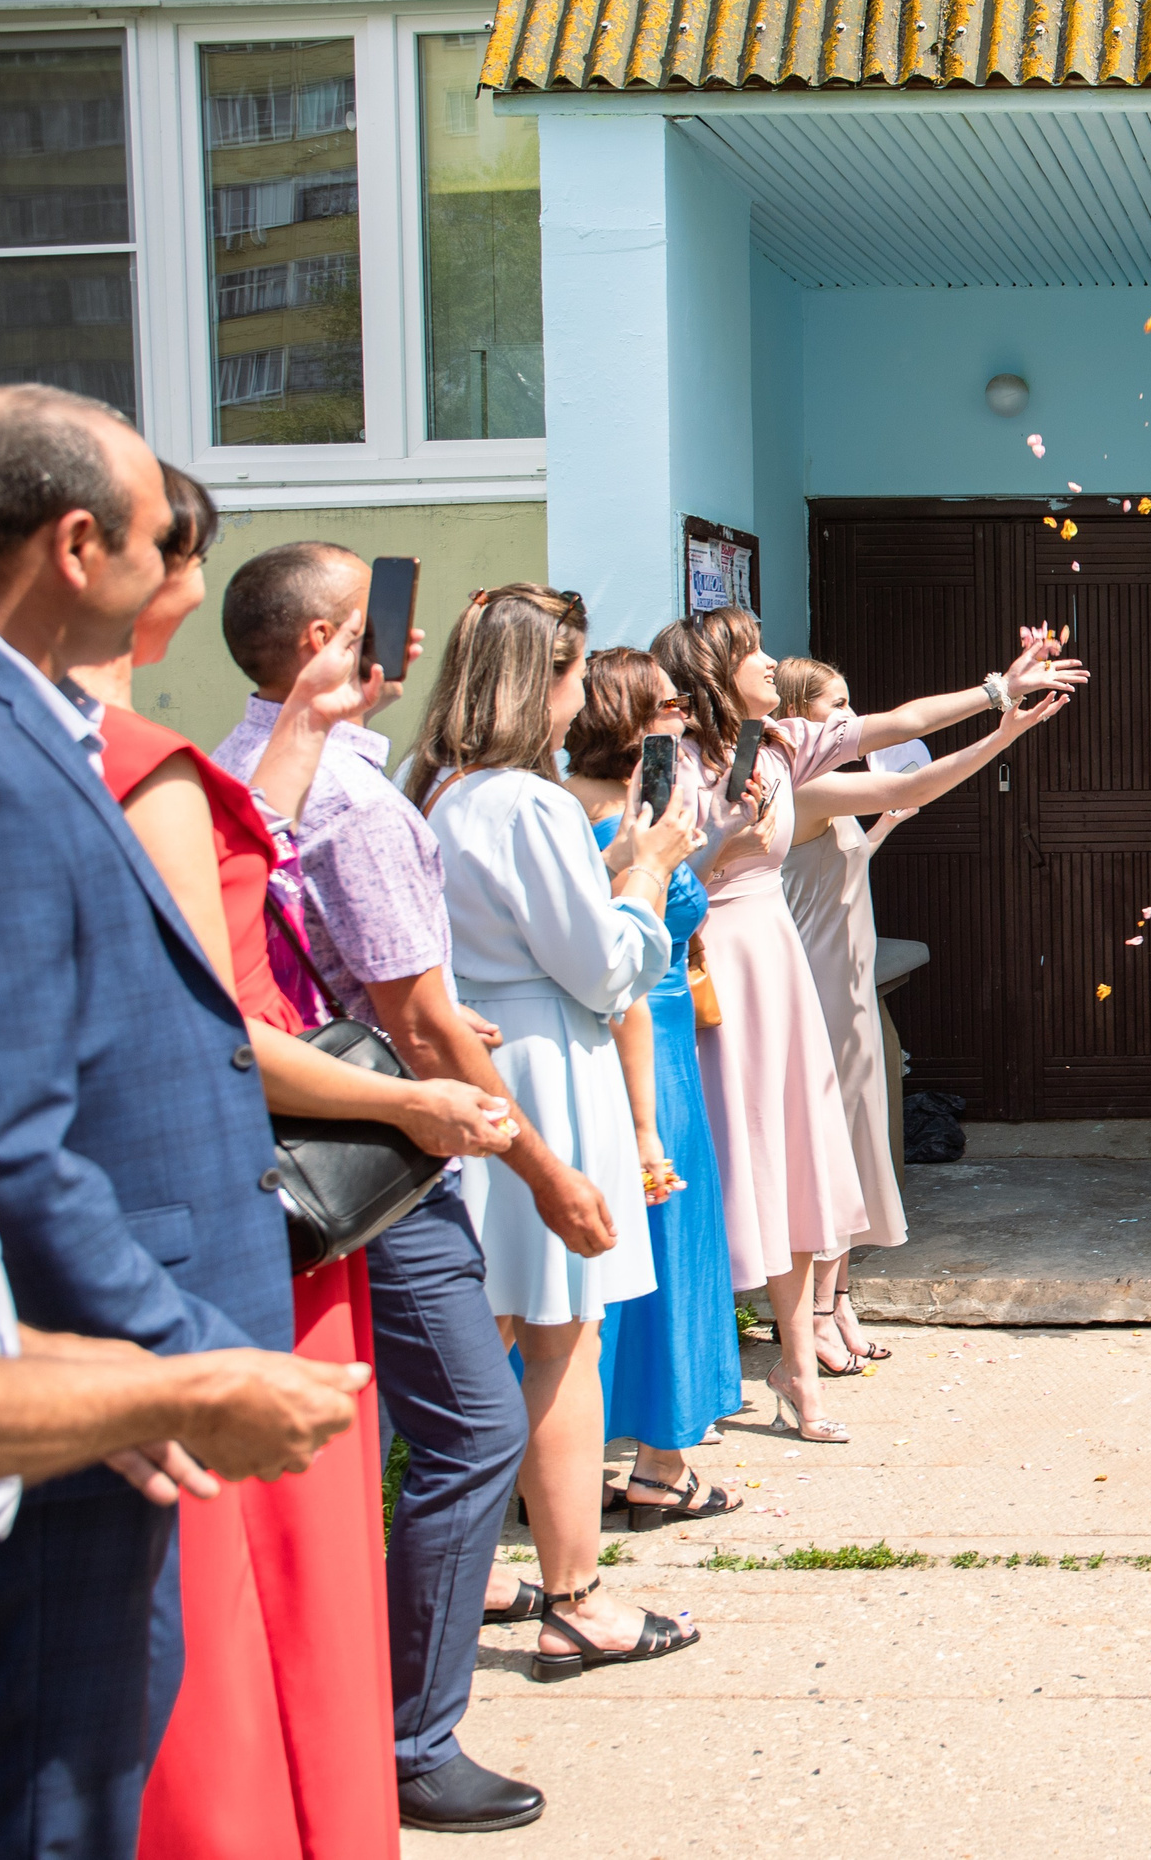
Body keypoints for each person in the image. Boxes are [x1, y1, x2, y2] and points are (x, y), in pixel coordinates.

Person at [70, 471, 506, 1860]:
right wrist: (429, 1103)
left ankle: (329, 1789)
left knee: (301, 1533)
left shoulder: (196, 767)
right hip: (227, 1195)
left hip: (254, 1191)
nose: (183, 581)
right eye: (172, 553)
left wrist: (313, 720)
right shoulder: (133, 770)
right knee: (266, 1533)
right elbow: (232, 1027)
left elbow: (252, 876)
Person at [0, 384, 366, 1855]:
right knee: (53, 1783)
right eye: (162, 533)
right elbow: (15, 1136)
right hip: (88, 1362)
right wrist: (181, 1356)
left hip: (115, 1352)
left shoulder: (48, 729)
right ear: (81, 546)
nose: (179, 564)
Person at [213, 543, 565, 1831]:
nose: (402, 640)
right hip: (377, 1158)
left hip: (322, 1138)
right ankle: (412, 1738)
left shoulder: (249, 770)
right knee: (475, 1428)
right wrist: (544, 1165)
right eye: (375, 620)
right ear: (322, 642)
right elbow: (416, 1023)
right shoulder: (358, 804)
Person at [653, 607, 1077, 1438]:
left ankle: (799, 1367)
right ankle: (696, 1365)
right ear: (714, 667)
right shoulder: (668, 762)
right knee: (718, 1162)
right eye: (752, 652)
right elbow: (650, 869)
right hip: (707, 967)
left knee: (803, 1158)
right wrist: (716, 841)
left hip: (777, 965)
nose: (772, 661)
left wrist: (1002, 700)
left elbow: (899, 733)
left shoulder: (779, 747)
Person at [405, 584, 702, 1681]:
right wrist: (652, 864)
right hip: (548, 1058)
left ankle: (479, 1561)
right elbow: (603, 966)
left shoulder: (440, 789)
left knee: (489, 1331)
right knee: (560, 1334)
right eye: (574, 676)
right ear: (542, 682)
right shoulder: (529, 805)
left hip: (486, 1057)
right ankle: (575, 1593)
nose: (584, 700)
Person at [775, 656, 1030, 1365]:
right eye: (836, 706)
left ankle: (842, 1302)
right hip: (820, 988)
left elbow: (846, 866)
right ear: (800, 715)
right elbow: (916, 771)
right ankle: (818, 1317)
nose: (851, 719)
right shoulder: (809, 785)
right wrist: (1001, 730)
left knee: (857, 1143)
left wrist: (885, 825)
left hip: (850, 985)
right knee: (827, 1152)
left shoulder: (830, 792)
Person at [562, 648, 744, 1518]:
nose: (682, 714)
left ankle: (560, 1464)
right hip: (648, 1038)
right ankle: (662, 1466)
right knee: (668, 1241)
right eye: (667, 704)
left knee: (588, 1258)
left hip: (618, 1035)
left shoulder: (557, 809)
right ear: (629, 718)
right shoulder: (630, 821)